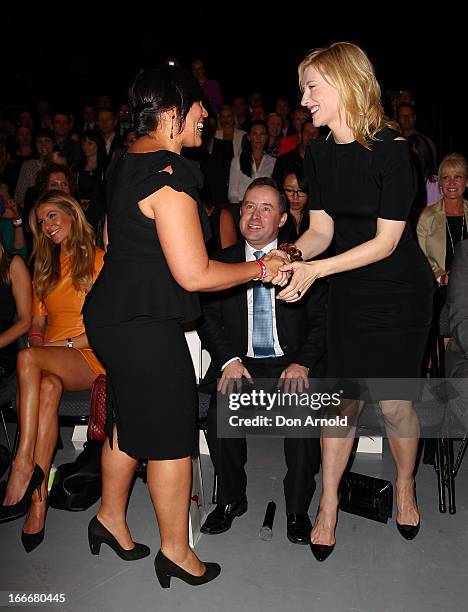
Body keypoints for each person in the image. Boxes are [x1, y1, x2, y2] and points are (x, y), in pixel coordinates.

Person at [82, 65, 285, 588]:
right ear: (173, 112)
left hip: (111, 312)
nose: (207, 115)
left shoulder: (128, 160)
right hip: (142, 321)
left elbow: (111, 239)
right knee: (172, 433)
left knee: (130, 416)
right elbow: (195, 273)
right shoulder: (170, 177)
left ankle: (110, 518)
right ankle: (175, 551)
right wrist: (261, 268)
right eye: (198, 108)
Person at [271, 42, 434, 561]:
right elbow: (321, 230)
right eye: (303, 88)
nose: (304, 99)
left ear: (346, 85)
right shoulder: (315, 153)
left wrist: (316, 270)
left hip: (398, 293)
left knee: (393, 402)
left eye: (312, 87)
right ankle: (328, 503)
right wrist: (295, 256)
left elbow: (386, 243)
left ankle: (405, 486)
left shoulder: (392, 150)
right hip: (348, 289)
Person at [198, 177, 326, 544]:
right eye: (249, 207)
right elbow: (207, 318)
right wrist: (228, 361)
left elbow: (322, 323)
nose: (255, 216)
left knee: (302, 414)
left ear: (282, 219)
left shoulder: (303, 263)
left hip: (290, 362)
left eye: (266, 208)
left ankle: (298, 508)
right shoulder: (219, 263)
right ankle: (230, 499)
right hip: (242, 362)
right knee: (219, 411)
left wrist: (302, 362)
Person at [0, 192, 105, 552]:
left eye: (53, 215)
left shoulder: (99, 261)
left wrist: (55, 347)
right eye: (41, 221)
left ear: (73, 214)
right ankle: (38, 502)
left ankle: (22, 462)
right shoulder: (44, 267)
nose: (47, 225)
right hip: (50, 360)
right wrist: (37, 338)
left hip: (86, 354)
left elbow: (105, 329)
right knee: (44, 387)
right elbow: (36, 325)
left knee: (28, 360)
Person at [228, 120, 275, 204]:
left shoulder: (273, 162)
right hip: (241, 205)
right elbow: (232, 193)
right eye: (254, 134)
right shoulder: (237, 161)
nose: (258, 138)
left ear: (267, 137)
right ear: (249, 137)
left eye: (262, 134)